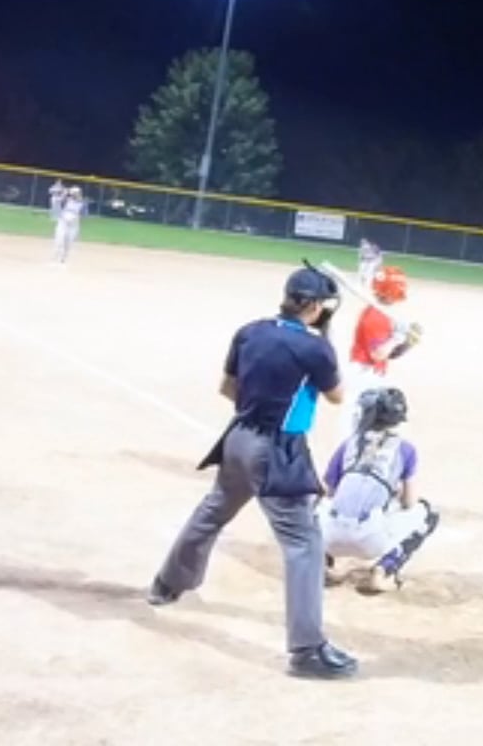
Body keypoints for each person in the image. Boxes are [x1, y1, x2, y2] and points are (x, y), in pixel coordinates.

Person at [147, 265, 358, 680]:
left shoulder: (250, 332)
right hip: (278, 449)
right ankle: (306, 650)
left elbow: (227, 387)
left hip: (238, 437)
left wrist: (260, 403)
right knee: (304, 543)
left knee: (214, 510)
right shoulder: (315, 348)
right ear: (316, 306)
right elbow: (336, 395)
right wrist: (322, 341)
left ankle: (166, 584)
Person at [321, 387, 439, 594]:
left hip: (330, 537)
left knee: (315, 503)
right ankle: (385, 569)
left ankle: (322, 564)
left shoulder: (348, 444)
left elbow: (329, 492)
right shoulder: (405, 449)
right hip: (371, 540)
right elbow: (409, 503)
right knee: (428, 513)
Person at [345, 266, 420, 421]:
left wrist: (408, 343)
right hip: (364, 373)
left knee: (372, 421)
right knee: (362, 422)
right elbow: (378, 354)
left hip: (372, 372)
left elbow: (389, 354)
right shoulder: (376, 316)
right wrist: (397, 337)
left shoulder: (382, 313)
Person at [51, 186, 85, 264]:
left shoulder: (81, 202)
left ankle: (63, 258)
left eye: (77, 193)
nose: (76, 195)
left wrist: (67, 192)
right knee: (59, 240)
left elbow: (82, 211)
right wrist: (64, 193)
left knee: (68, 243)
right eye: (75, 193)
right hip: (63, 223)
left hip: (73, 225)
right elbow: (57, 201)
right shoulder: (66, 200)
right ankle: (55, 257)